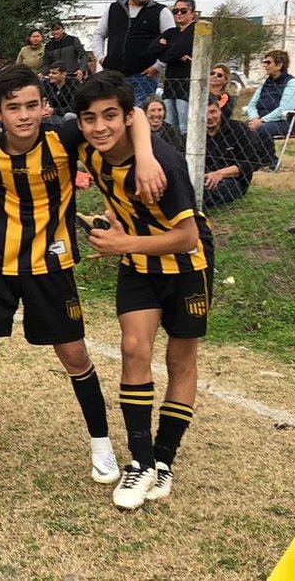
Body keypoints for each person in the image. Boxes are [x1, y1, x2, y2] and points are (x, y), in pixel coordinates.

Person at [0, 64, 165, 488]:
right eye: (13, 107)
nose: (24, 115)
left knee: (74, 356)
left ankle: (101, 444)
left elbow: (137, 115)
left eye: (32, 105)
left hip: (51, 268)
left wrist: (145, 155)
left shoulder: (64, 138)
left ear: (44, 106)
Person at [74, 70, 215, 511]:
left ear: (126, 116)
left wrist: (122, 244)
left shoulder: (164, 164)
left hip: (187, 264)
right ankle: (141, 460)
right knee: (134, 349)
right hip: (138, 263)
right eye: (90, 118)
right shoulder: (86, 144)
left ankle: (165, 460)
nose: (100, 127)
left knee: (179, 359)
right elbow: (29, 122)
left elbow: (188, 237)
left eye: (110, 116)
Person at [91, 0, 174, 107]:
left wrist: (157, 67)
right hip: (113, 78)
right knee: (114, 115)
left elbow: (172, 41)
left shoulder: (160, 11)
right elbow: (98, 34)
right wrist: (100, 57)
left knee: (137, 117)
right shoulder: (114, 9)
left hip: (143, 78)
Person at [202, 94, 275, 207]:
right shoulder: (193, 133)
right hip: (202, 177)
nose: (209, 117)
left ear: (220, 111)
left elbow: (252, 163)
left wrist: (219, 174)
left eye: (213, 112)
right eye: (204, 113)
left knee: (205, 193)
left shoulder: (238, 129)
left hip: (232, 180)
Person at [147, 0, 197, 134]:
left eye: (183, 10)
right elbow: (153, 48)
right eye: (176, 11)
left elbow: (181, 48)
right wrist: (174, 52)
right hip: (170, 85)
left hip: (185, 86)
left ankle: (185, 154)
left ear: (192, 12)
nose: (179, 14)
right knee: (169, 126)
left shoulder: (195, 30)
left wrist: (169, 50)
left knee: (184, 127)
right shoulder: (172, 32)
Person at [247, 50, 295, 138]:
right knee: (239, 128)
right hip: (261, 120)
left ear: (279, 65)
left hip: (287, 122)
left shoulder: (292, 83)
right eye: (264, 62)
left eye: (268, 62)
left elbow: (284, 109)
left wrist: (262, 121)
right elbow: (251, 105)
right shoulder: (265, 83)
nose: (264, 65)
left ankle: (267, 152)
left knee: (260, 129)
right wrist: (255, 118)